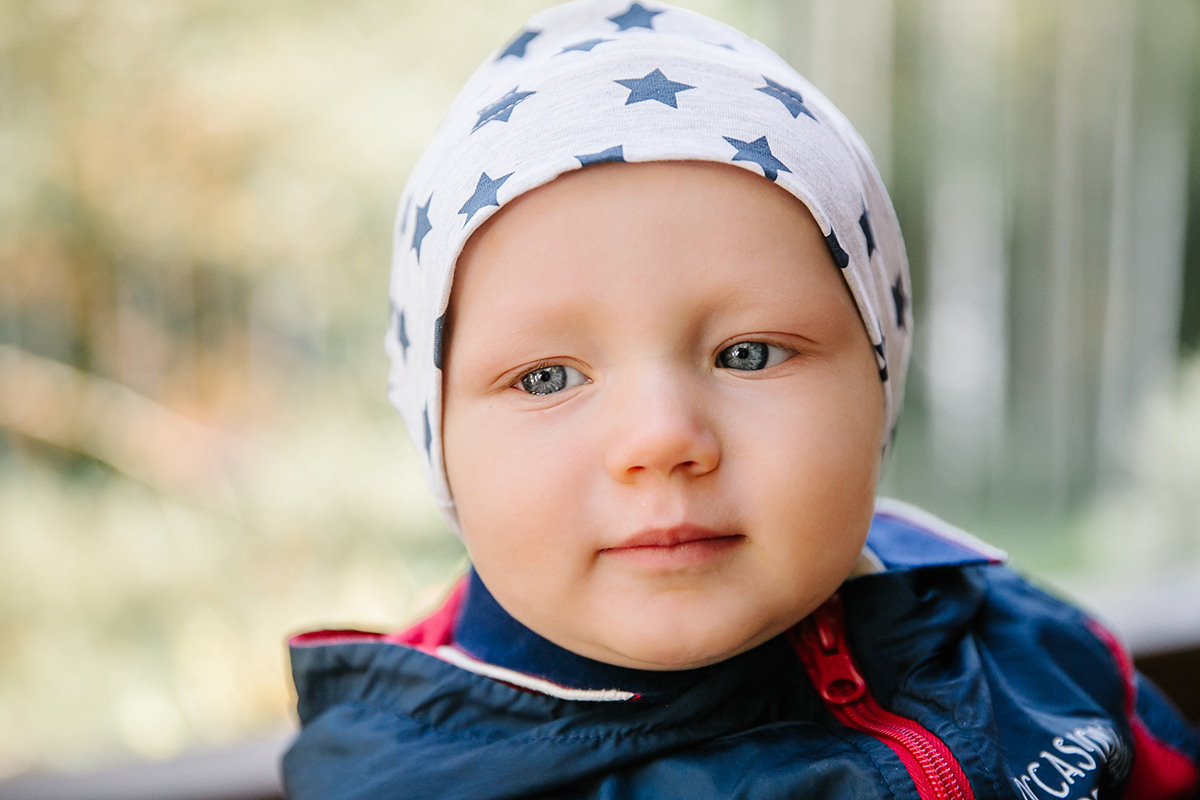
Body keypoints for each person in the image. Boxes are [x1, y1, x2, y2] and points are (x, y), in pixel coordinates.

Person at [282, 2, 1200, 797]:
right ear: (438, 439)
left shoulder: (1027, 650)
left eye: (749, 353)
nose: (661, 438)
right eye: (547, 377)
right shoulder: (413, 776)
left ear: (879, 383)